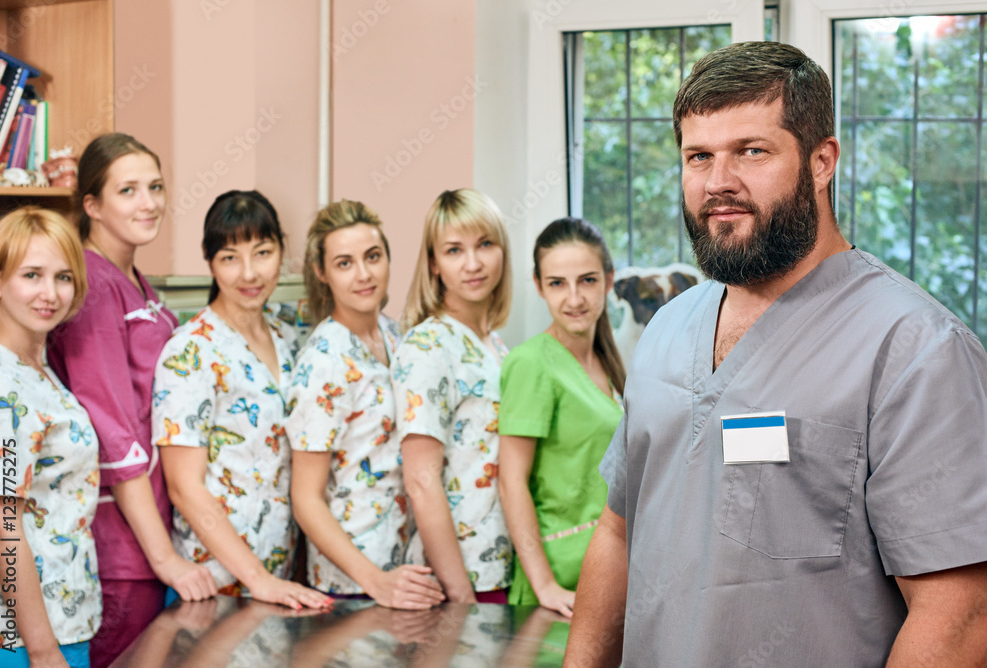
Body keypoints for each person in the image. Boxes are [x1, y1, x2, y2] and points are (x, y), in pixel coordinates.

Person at [564, 41, 987, 667]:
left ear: (822, 161)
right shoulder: (666, 330)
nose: (718, 183)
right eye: (698, 156)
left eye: (751, 152)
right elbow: (617, 532)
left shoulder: (916, 351)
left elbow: (959, 616)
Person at [46, 134, 216, 668]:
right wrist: (165, 560)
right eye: (129, 190)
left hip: (152, 530)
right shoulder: (94, 286)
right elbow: (113, 434)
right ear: (92, 205)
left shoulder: (134, 281)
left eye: (156, 187)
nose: (149, 203)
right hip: (121, 546)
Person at [151, 190, 330, 612]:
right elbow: (184, 486)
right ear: (210, 262)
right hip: (214, 584)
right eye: (230, 257)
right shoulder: (190, 351)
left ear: (283, 253)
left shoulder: (288, 340)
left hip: (279, 578)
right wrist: (258, 579)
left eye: (263, 252)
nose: (249, 273)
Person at [287, 199, 444, 609]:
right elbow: (305, 498)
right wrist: (375, 581)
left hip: (411, 573)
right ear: (322, 273)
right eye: (344, 263)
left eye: (372, 257)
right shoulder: (323, 361)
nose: (363, 274)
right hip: (353, 587)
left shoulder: (402, 338)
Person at [0, 208, 98, 668]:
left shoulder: (36, 367)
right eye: (31, 275)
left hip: (63, 617)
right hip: (17, 639)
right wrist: (43, 652)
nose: (50, 294)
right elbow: (0, 525)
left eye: (63, 277)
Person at [498, 217, 624, 618]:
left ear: (609, 280)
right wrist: (545, 585)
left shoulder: (610, 363)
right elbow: (510, 480)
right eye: (557, 283)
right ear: (538, 286)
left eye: (587, 280)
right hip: (559, 580)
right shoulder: (532, 363)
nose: (574, 298)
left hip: (606, 567)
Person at [392, 188, 514, 604]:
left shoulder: (496, 346)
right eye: (454, 250)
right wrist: (460, 594)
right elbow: (421, 480)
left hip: (501, 567)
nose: (473, 263)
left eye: (485, 244)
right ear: (434, 264)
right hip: (459, 579)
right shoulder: (427, 346)